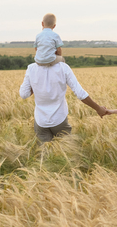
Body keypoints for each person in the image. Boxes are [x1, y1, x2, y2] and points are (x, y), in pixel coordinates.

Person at [20, 14, 106, 144]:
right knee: (67, 155)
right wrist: (98, 108)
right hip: (59, 120)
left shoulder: (31, 69)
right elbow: (80, 93)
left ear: (41, 24)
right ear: (54, 26)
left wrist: (35, 84)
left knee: (43, 158)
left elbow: (23, 94)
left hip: (41, 122)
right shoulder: (63, 67)